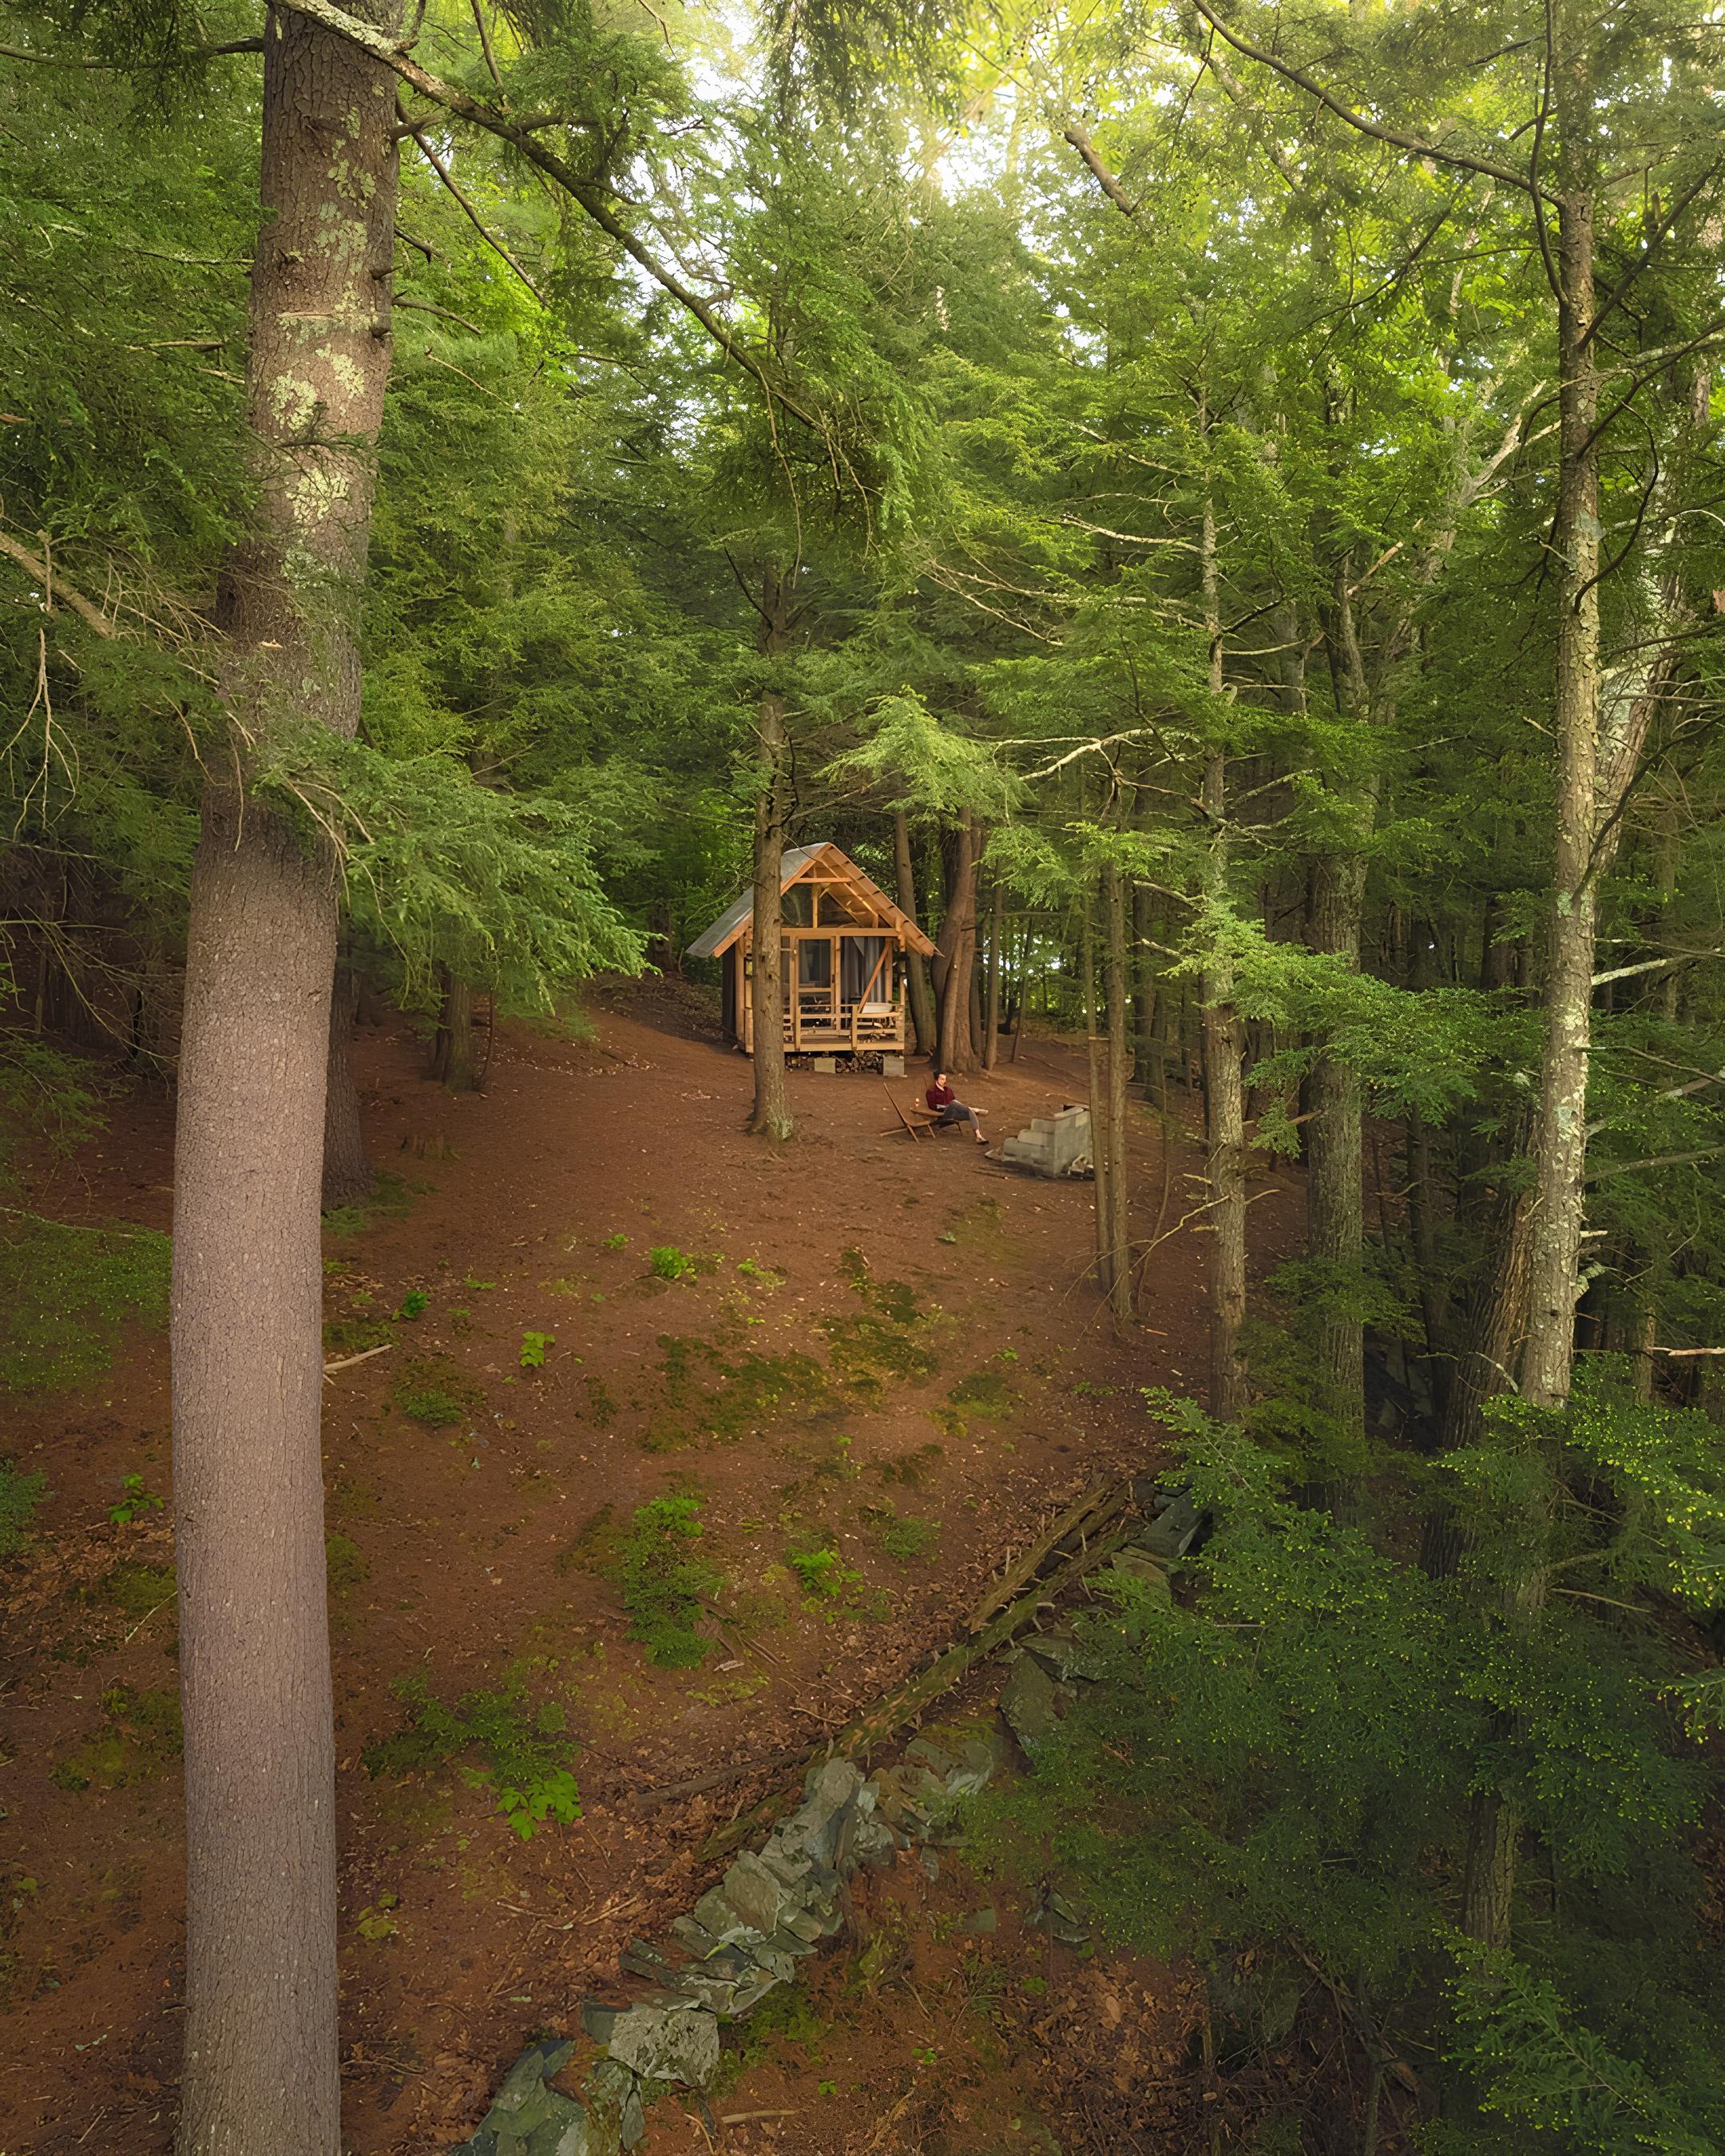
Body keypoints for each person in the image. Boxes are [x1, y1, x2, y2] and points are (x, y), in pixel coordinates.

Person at [926, 1071, 986, 1143]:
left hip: (954, 1113)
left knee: (970, 1111)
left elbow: (955, 1105)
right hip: (942, 1114)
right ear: (936, 1080)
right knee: (954, 1102)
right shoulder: (931, 1091)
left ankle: (978, 1135)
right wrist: (944, 1107)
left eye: (945, 1079)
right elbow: (932, 1106)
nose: (944, 1081)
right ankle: (975, 1109)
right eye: (942, 1079)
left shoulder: (949, 1090)